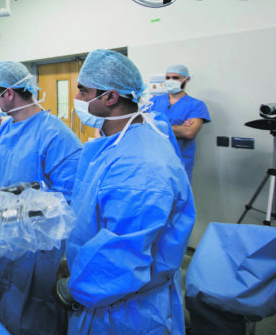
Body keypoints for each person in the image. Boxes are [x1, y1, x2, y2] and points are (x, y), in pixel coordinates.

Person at [52, 49, 195, 335]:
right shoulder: (123, 141)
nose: (78, 99)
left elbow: (122, 254)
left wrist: (74, 288)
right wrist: (77, 258)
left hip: (126, 312)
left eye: (83, 91)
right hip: (112, 300)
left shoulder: (139, 166)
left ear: (110, 97)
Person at [0, 61, 83, 335]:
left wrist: (22, 215)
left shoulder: (56, 136)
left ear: (9, 94)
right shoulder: (5, 129)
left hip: (35, 251)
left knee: (31, 318)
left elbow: (70, 201)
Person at [150, 64, 211, 182]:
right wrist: (179, 128)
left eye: (175, 78)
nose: (170, 81)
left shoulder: (196, 105)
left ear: (187, 79)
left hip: (179, 161)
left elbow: (189, 132)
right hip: (153, 159)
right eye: (168, 78)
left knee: (178, 197)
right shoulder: (154, 101)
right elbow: (140, 125)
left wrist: (154, 125)